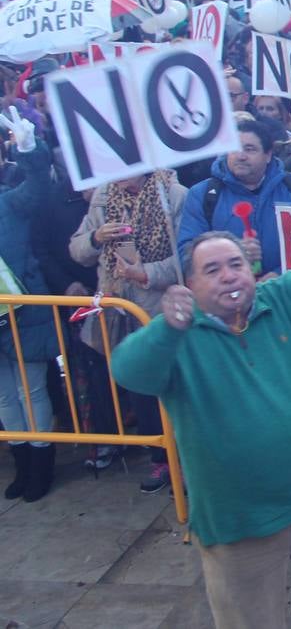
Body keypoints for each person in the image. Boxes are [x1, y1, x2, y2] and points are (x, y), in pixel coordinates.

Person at [112, 209, 291, 629]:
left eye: (236, 264)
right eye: (212, 269)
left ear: (252, 270)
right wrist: (168, 328)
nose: (228, 276)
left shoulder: (289, 299)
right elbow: (129, 371)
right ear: (190, 285)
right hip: (239, 522)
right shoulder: (176, 337)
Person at [68, 170, 187, 494]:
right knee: (140, 389)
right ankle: (160, 459)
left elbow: (185, 257)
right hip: (118, 311)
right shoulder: (104, 198)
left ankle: (188, 460)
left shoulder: (173, 194)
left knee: (175, 388)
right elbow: (77, 249)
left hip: (159, 310)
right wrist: (96, 239)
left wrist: (143, 273)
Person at [0, 108, 60, 503]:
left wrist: (30, 148)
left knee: (31, 390)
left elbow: (39, 185)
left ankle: (41, 465)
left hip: (23, 314)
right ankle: (21, 463)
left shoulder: (8, 203)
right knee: (4, 396)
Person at [177, 120, 291, 277]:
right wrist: (234, 254)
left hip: (285, 292)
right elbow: (186, 255)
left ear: (268, 155)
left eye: (250, 149)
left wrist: (280, 274)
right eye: (234, 148)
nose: (241, 156)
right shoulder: (202, 194)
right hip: (227, 292)